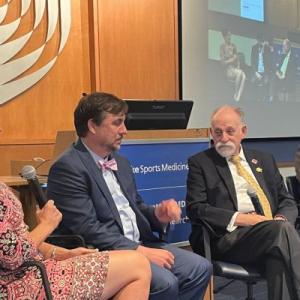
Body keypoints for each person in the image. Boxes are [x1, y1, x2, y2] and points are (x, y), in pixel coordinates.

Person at [47, 92, 212, 300]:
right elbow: (87, 229)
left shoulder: (121, 162)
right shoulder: (68, 167)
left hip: (140, 243)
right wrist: (138, 251)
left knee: (200, 268)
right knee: (165, 282)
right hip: (104, 253)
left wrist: (157, 215)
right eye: (117, 123)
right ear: (92, 126)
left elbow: (136, 207)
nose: (124, 130)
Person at [186, 105, 300, 300]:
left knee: (279, 249)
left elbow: (286, 199)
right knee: (282, 233)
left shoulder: (263, 159)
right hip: (229, 238)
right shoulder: (201, 163)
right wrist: (241, 219)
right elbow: (196, 208)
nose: (223, 138)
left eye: (230, 131)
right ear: (211, 133)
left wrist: (280, 218)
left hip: (271, 235)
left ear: (243, 132)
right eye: (217, 132)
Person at [0, 182, 151, 299]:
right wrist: (47, 224)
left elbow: (18, 240)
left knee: (132, 269)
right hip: (17, 285)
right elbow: (12, 255)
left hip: (32, 270)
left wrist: (61, 254)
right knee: (137, 265)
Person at [220, 29, 246, 102]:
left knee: (244, 76)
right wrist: (232, 60)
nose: (229, 37)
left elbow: (237, 59)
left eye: (230, 35)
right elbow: (222, 63)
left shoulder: (233, 46)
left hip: (235, 69)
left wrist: (238, 66)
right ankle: (236, 94)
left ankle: (237, 96)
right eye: (228, 35)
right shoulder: (222, 47)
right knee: (240, 73)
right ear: (224, 37)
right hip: (228, 70)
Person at [250, 34, 272, 101]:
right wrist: (256, 73)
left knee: (266, 81)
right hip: (256, 72)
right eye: (259, 41)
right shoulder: (254, 48)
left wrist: (264, 51)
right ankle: (254, 99)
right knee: (252, 81)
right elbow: (252, 62)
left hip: (265, 72)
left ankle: (264, 100)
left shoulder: (267, 49)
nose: (260, 42)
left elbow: (269, 63)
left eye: (262, 41)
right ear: (257, 40)